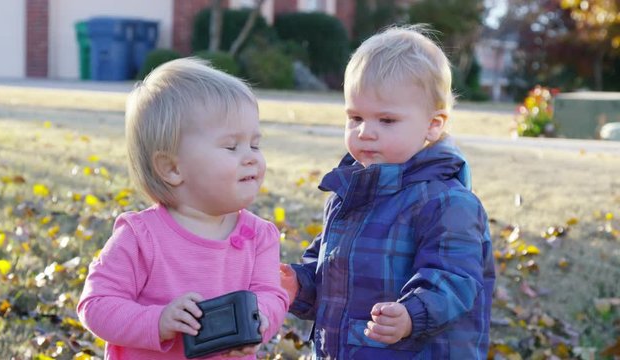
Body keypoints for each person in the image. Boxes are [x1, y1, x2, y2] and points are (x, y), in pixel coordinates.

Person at [280, 25, 496, 359]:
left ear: (433, 124)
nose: (366, 132)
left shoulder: (447, 202)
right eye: (355, 117)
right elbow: (328, 275)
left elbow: (454, 280)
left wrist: (412, 314)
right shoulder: (347, 195)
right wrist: (298, 285)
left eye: (387, 120)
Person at [77, 57, 289, 360]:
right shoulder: (140, 237)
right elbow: (96, 304)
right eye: (231, 147)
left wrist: (260, 322)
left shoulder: (260, 236)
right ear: (172, 168)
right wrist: (158, 321)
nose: (251, 157)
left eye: (255, 145)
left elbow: (271, 296)